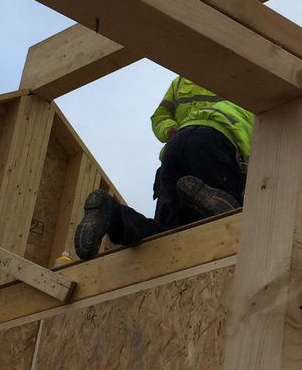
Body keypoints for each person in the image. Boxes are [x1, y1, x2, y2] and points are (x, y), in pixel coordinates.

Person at [73, 76, 253, 260]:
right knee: (234, 218)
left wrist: (170, 130)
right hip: (214, 144)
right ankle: (218, 205)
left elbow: (160, 116)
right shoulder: (250, 80)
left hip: (176, 146)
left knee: (165, 236)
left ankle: (113, 214)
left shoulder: (185, 78)